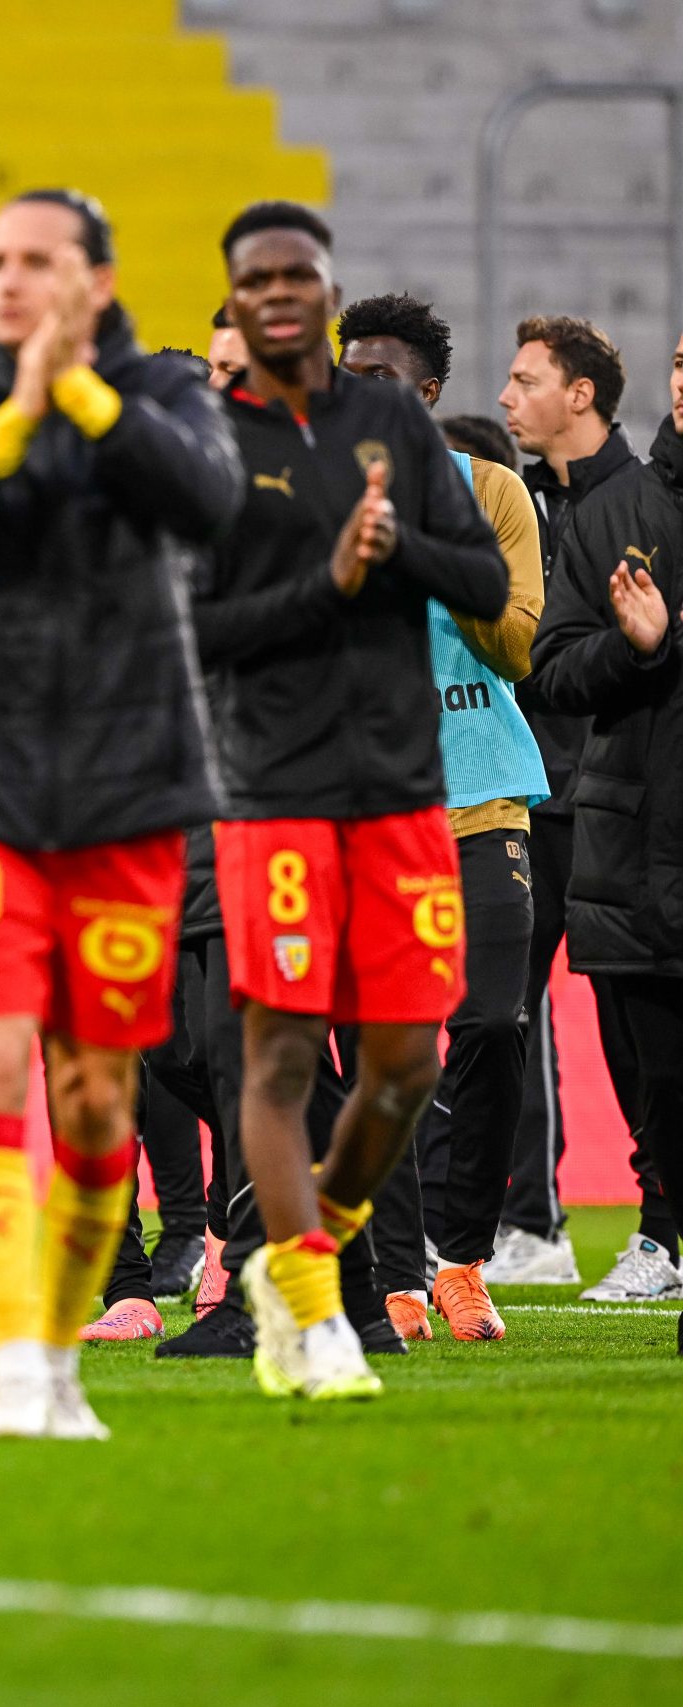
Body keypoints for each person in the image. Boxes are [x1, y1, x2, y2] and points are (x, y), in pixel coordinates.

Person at [0, 190, 241, 1436]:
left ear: (97, 278)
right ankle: (19, 1359)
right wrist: (16, 410)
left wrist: (77, 393)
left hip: (129, 796)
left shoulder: (161, 395)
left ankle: (70, 1350)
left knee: (93, 1095)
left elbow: (207, 501)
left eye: (38, 261)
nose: (10, 281)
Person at [200, 203, 508, 1402]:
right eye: (256, 279)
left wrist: (401, 555)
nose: (279, 293)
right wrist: (324, 584)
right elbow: (198, 628)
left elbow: (479, 579)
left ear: (325, 293)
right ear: (234, 303)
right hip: (274, 787)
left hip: (398, 786)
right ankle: (317, 1310)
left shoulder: (389, 421)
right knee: (277, 1056)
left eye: (300, 274)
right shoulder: (207, 444)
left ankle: (303, 1252)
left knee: (403, 1067)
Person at [334, 294, 550, 1342]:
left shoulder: (493, 493)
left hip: (481, 802)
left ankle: (464, 1257)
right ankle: (398, 1277)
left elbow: (512, 647)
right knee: (383, 1052)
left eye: (373, 377)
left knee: (491, 1028)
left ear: (424, 393)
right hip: (362, 813)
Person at [500, 318, 682, 1300]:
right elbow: (549, 666)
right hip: (576, 807)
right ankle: (547, 1220)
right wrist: (636, 648)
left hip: (609, 805)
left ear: (581, 394)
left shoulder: (608, 501)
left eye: (525, 379)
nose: (505, 396)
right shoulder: (574, 506)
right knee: (520, 1018)